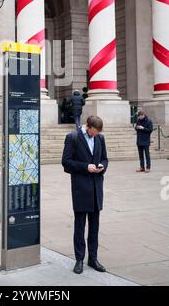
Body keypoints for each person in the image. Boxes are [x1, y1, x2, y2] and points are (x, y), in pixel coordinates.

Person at [62, 115, 108, 275]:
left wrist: (102, 165)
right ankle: (79, 260)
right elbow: (66, 163)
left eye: (97, 134)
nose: (95, 135)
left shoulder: (100, 138)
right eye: (93, 132)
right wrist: (85, 167)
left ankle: (93, 259)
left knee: (94, 228)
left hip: (96, 190)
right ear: (87, 126)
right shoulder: (72, 137)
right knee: (80, 227)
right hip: (80, 189)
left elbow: (105, 158)